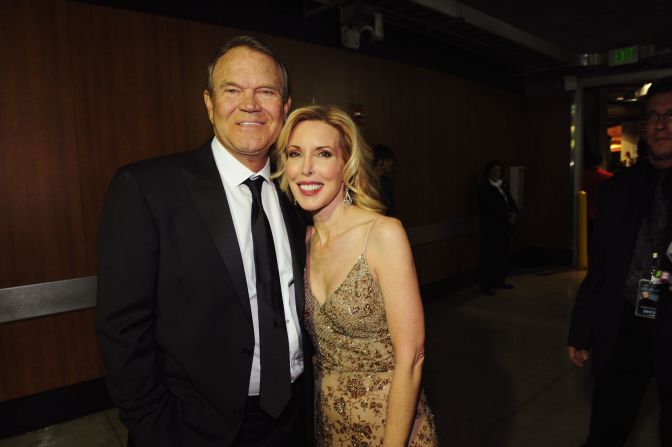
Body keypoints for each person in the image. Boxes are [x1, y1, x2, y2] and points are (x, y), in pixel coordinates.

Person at [96, 36, 311, 447]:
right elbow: (122, 329)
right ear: (209, 104)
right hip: (192, 427)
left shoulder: (298, 192)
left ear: (285, 108)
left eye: (266, 91)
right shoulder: (147, 188)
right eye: (232, 90)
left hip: (294, 420)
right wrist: (153, 427)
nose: (249, 105)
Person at [273, 105, 438, 446]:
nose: (306, 169)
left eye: (323, 154)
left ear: (345, 165)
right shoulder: (300, 242)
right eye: (294, 154)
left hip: (391, 429)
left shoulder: (382, 234)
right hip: (328, 427)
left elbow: (413, 357)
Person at [567, 76, 672, 446]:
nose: (662, 124)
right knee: (605, 432)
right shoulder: (617, 189)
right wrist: (582, 328)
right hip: (625, 326)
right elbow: (601, 268)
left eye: (671, 115)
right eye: (654, 116)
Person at [478, 160, 518, 295]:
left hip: (504, 227)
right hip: (491, 228)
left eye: (499, 171)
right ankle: (487, 284)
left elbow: (511, 202)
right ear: (488, 172)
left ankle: (500, 280)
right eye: (494, 170)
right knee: (490, 256)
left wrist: (514, 213)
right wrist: (505, 216)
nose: (497, 173)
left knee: (502, 255)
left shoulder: (503, 186)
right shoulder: (484, 187)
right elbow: (489, 207)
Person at [373, 144, 395, 215]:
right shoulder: (367, 183)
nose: (392, 163)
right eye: (389, 160)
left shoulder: (386, 182)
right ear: (380, 162)